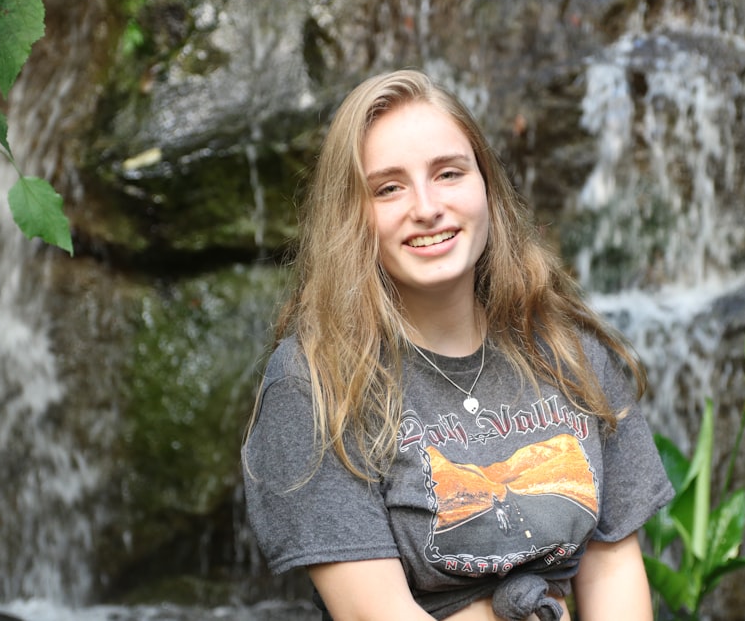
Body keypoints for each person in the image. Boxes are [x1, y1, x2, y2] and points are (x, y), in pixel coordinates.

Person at [242, 69, 675, 621]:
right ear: (351, 216)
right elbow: (375, 614)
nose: (426, 207)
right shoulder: (315, 384)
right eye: (389, 187)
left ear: (487, 188)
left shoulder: (570, 352)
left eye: (448, 173)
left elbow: (612, 566)